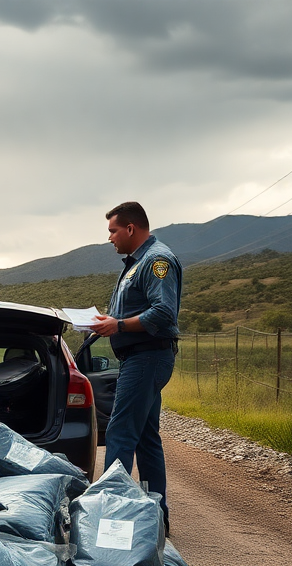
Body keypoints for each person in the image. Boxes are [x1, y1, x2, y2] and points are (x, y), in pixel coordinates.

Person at [90, 202, 182, 530]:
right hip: (141, 356)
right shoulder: (137, 262)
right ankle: (156, 521)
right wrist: (108, 322)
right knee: (145, 437)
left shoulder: (156, 260)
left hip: (147, 356)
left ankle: (111, 520)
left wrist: (118, 326)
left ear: (130, 228)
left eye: (113, 231)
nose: (111, 238)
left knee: (120, 431)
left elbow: (163, 313)